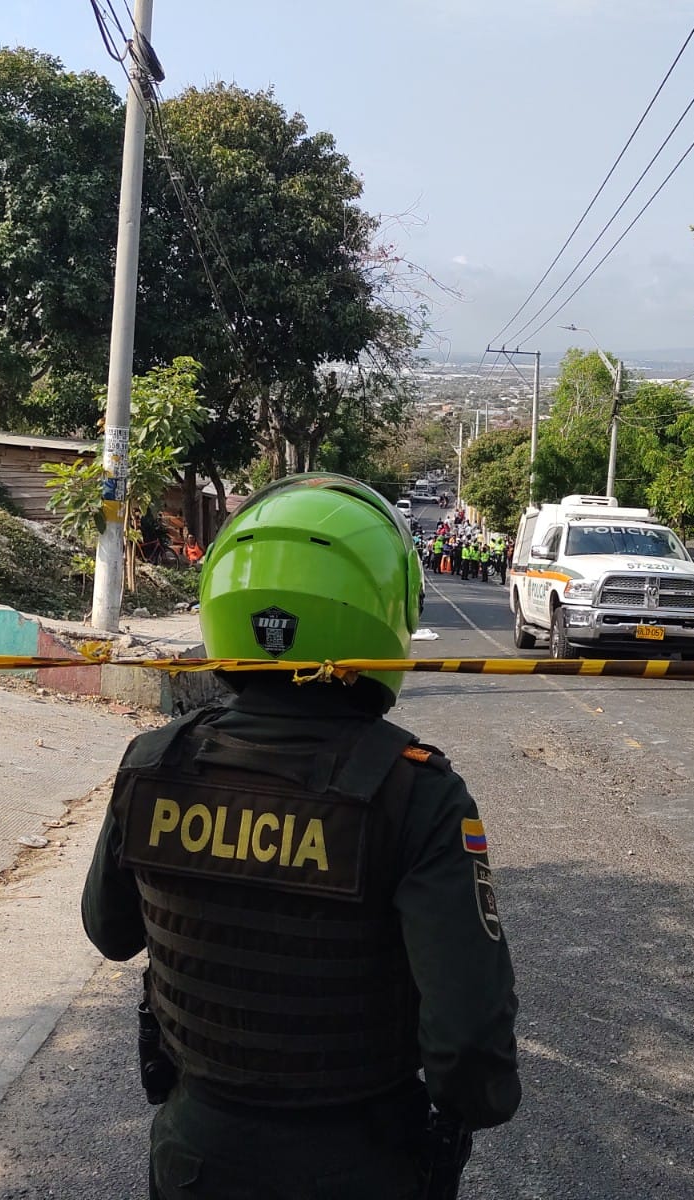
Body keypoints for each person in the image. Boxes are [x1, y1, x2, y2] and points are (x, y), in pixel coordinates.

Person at [82, 473, 521, 1199]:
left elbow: (111, 931)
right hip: (360, 1161)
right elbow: (469, 1039)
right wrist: (471, 1110)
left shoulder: (155, 762)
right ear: (382, 613)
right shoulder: (417, 791)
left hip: (196, 1155)